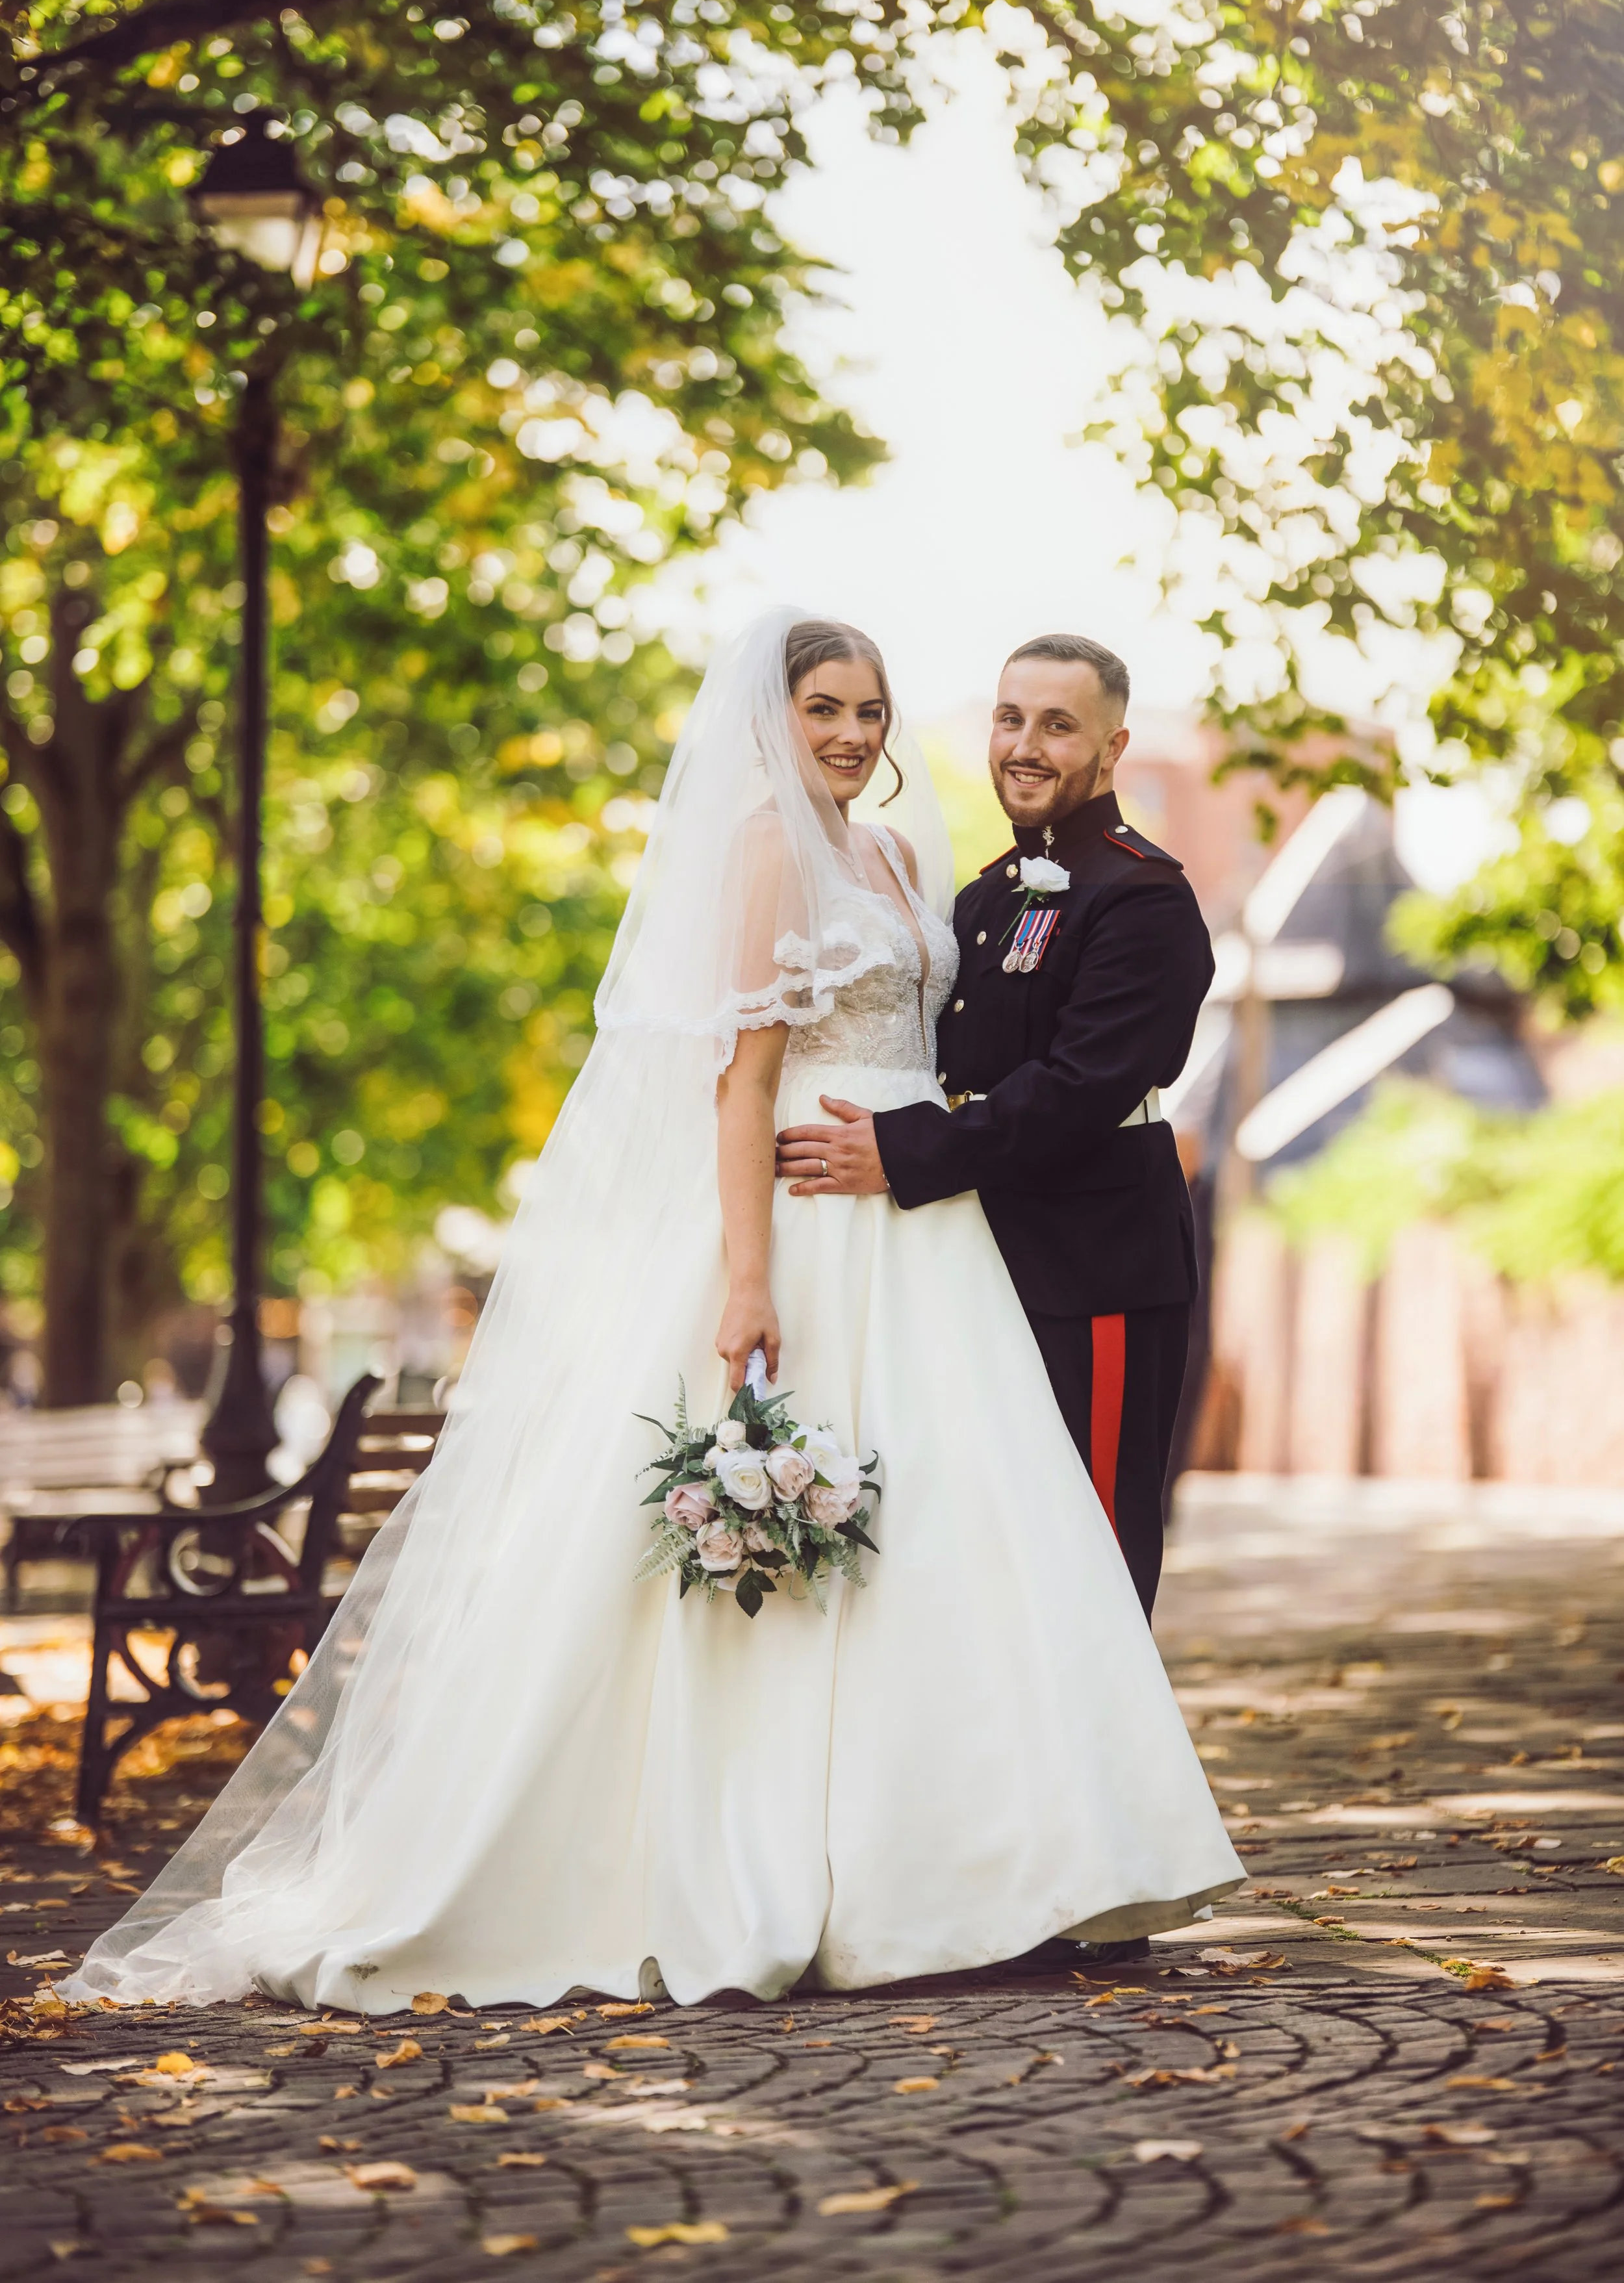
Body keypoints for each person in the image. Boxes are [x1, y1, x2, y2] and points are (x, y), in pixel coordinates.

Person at [66, 611, 1240, 2016]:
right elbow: (743, 1083)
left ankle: (1030, 1862)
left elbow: (1057, 1080)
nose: (858, 735)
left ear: (1109, 742)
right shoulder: (858, 867)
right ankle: (816, 1855)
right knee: (904, 1547)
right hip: (824, 1224)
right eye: (827, 708)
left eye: (871, 711)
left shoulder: (1034, 880)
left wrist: (911, 1155)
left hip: (962, 1240)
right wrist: (748, 1275)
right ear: (775, 716)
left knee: (1013, 1549)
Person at [778, 633, 1211, 1623]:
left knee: (1090, 1542)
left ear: (1113, 748)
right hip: (966, 1264)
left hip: (1094, 1262)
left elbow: (1080, 1087)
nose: (1025, 744)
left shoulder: (1142, 896)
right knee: (992, 1548)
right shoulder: (984, 898)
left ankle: (1104, 1774)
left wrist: (897, 1149)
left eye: (1058, 726)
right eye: (1010, 719)